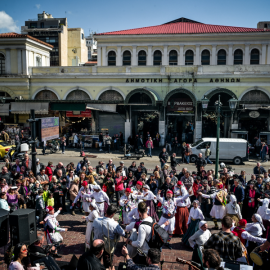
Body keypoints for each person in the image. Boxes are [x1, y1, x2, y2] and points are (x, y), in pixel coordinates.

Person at [92, 205, 125, 269]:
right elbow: (123, 233)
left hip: (97, 244)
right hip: (108, 246)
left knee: (95, 262)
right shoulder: (114, 224)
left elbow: (93, 230)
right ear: (112, 214)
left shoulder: (96, 220)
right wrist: (117, 224)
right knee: (107, 264)